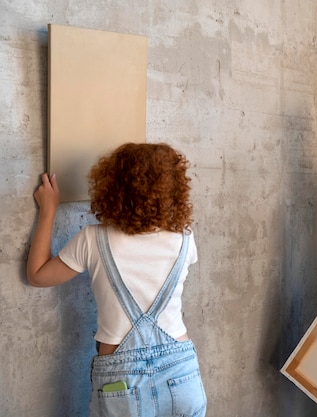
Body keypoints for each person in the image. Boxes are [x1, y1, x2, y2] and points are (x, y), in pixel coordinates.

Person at [27, 143, 207, 417]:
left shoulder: (93, 239)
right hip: (182, 373)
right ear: (174, 191)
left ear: (112, 186)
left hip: (122, 381)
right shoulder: (185, 238)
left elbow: (38, 276)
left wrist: (49, 210)